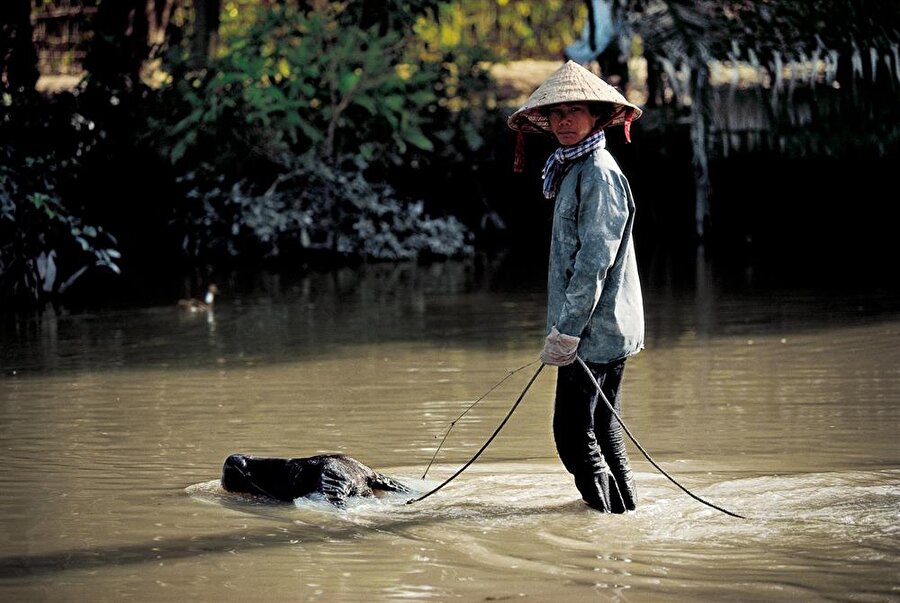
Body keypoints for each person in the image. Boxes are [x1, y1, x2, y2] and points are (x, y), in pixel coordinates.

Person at [507, 60, 644, 513]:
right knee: (603, 429)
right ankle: (626, 520)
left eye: (576, 111)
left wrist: (566, 332)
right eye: (557, 114)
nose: (565, 121)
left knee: (572, 434)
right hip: (604, 327)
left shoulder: (597, 173)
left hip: (593, 332)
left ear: (597, 117)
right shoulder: (575, 168)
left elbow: (593, 262)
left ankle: (604, 528)